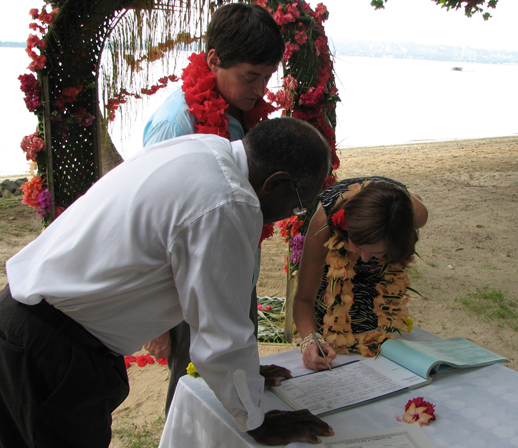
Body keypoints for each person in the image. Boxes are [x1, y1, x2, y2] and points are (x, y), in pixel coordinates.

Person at [0, 117, 334, 447]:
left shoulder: (203, 147)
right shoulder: (228, 201)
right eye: (298, 205)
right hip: (53, 350)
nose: (293, 214)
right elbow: (221, 329)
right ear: (275, 183)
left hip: (22, 319)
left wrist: (242, 375)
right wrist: (258, 424)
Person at [141, 2, 286, 413]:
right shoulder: (177, 122)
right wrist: (160, 324)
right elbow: (159, 226)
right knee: (193, 393)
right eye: (250, 77)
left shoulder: (242, 113)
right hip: (190, 292)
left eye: (267, 77)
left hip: (236, 276)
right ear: (213, 60)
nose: (260, 89)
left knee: (233, 387)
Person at [293, 176, 428, 371]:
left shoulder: (417, 214)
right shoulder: (324, 223)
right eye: (358, 247)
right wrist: (311, 341)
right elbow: (303, 299)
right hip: (334, 295)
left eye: (376, 253)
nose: (365, 259)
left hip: (379, 296)